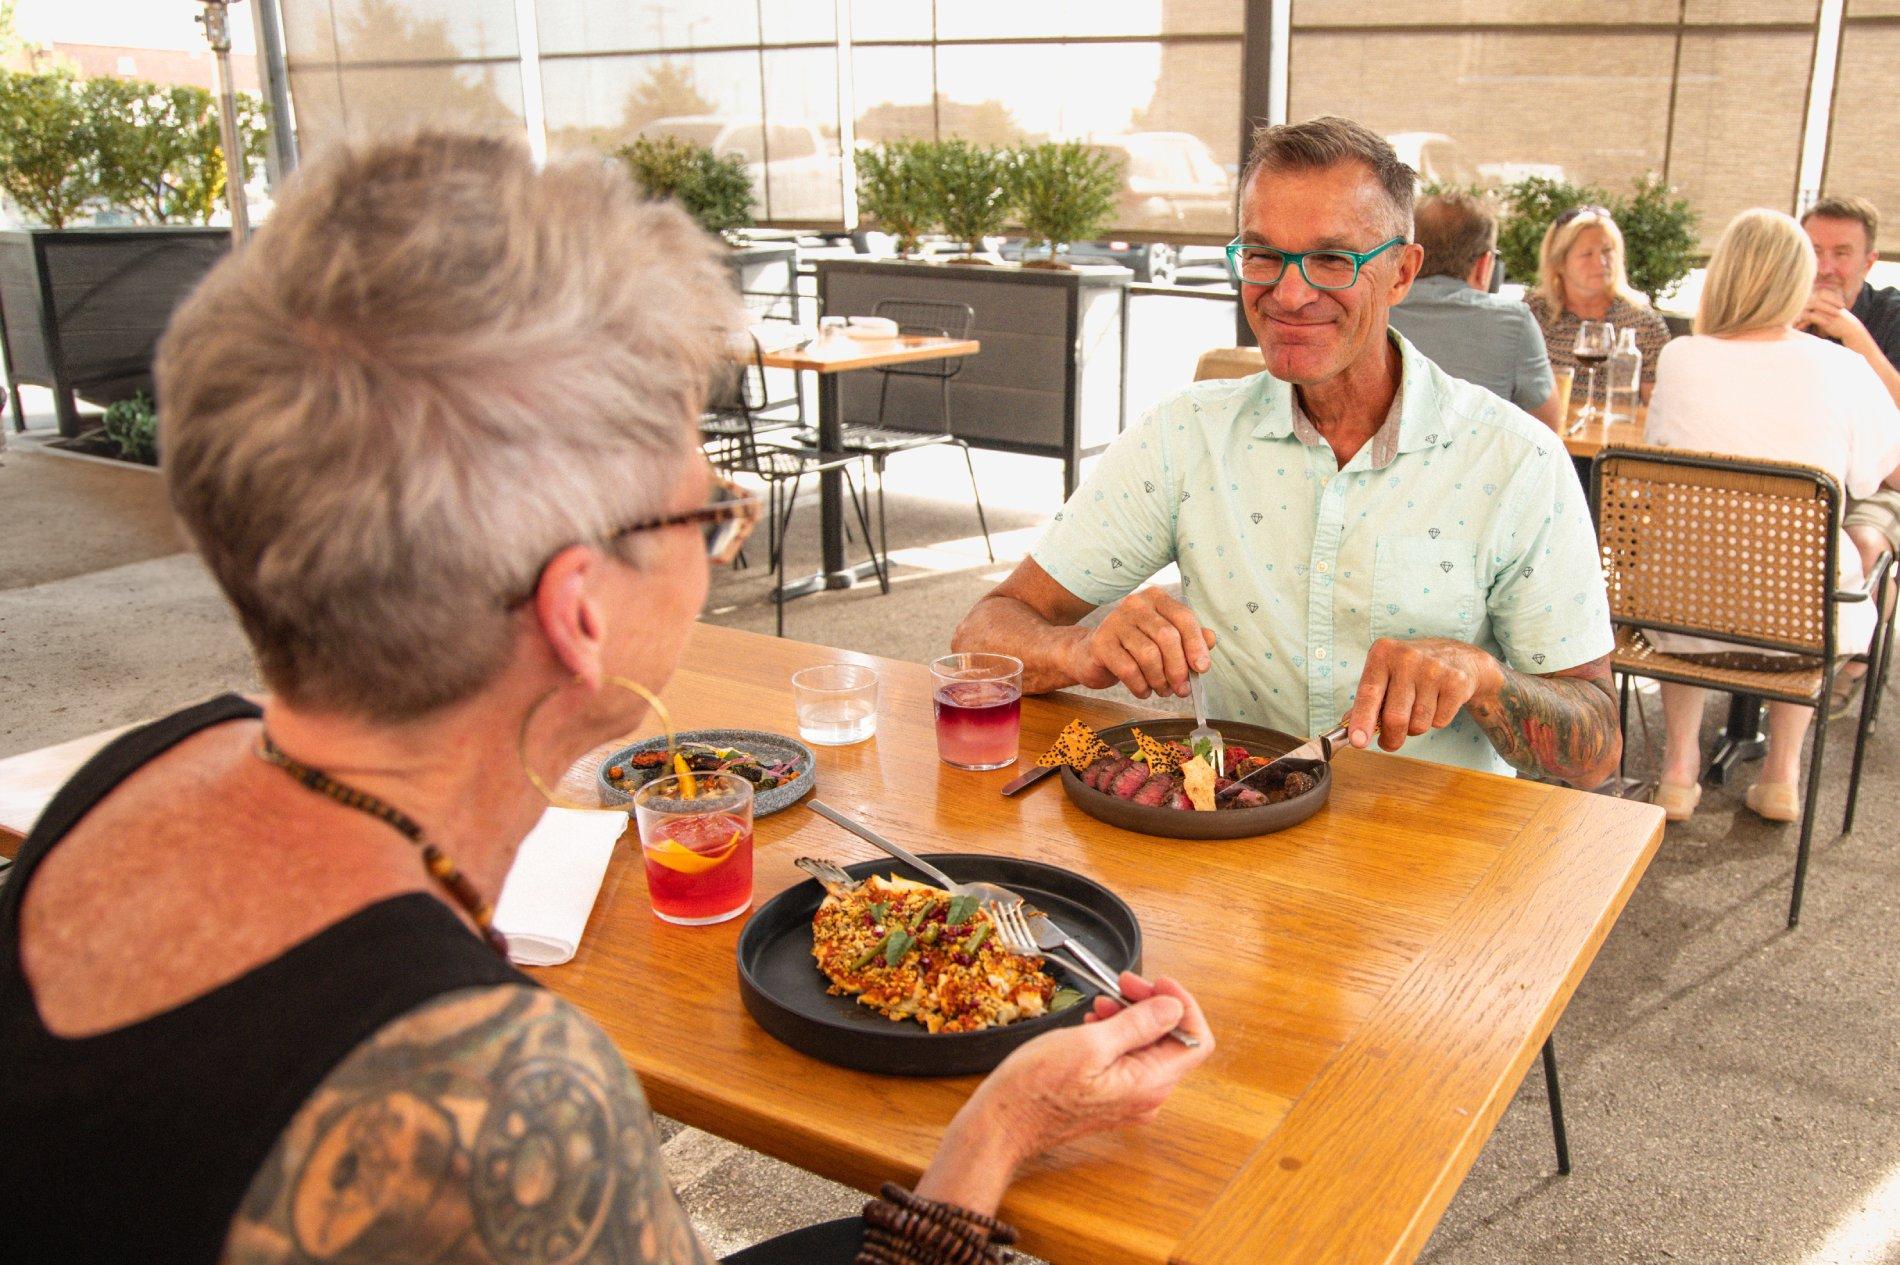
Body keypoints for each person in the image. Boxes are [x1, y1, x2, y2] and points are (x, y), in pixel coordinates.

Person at [0, 133, 1213, 1265]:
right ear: (578, 613)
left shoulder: (145, 761)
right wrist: (997, 1136)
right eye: (706, 512)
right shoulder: (503, 1103)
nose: (723, 547)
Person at [952, 116, 1620, 789]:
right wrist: (1081, 647)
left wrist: (1481, 676)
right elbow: (982, 635)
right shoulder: (1185, 436)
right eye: (1264, 255)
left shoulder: (1514, 460)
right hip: (1230, 842)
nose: (1290, 293)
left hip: (1431, 853)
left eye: (1333, 259)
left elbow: (1596, 749)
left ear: (1400, 273)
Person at [1643, 208, 1900, 823]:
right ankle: (1782, 774)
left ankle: (1678, 770)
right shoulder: (1842, 368)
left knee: (1692, 554)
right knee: (1812, 569)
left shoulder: (1681, 358)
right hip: (1803, 621)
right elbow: (1886, 476)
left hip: (1674, 609)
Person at [1799, 195, 1900, 712]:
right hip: (1792, 473)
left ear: (1868, 262)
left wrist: (1855, 338)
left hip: (1878, 477)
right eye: (1814, 249)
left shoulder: (1889, 315)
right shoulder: (1774, 304)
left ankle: (1851, 661)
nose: (1825, 266)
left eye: (1841, 252)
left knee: (1861, 544)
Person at [1389, 192, 1564, 428]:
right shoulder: (1513, 322)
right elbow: (1549, 428)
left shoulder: (1380, 309)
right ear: (1484, 265)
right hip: (1481, 463)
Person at [1525, 206, 1671, 403]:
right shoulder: (1533, 314)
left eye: (1607, 250)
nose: (1601, 262)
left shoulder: (1643, 322)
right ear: (1559, 263)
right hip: (1547, 431)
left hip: (1614, 432)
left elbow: (1658, 407)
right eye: (1587, 254)